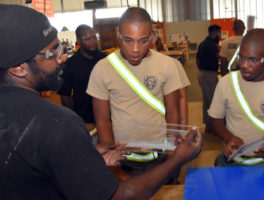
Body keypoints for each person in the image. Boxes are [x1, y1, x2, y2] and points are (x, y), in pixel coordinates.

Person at [0, 4, 202, 200]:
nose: (62, 59)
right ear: (18, 68)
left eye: (60, 47)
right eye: (52, 53)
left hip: (153, 153)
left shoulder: (41, 122)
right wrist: (178, 159)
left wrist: (90, 156)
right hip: (125, 159)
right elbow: (122, 194)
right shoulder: (59, 124)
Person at [87, 8, 183, 150]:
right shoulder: (102, 69)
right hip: (123, 155)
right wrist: (112, 158)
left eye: (143, 41)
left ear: (151, 37)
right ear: (118, 33)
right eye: (128, 40)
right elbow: (103, 121)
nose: (135, 49)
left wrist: (170, 152)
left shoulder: (167, 65)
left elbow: (173, 113)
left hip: (159, 151)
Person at [208, 28, 264, 166]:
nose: (244, 65)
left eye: (253, 60)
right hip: (232, 161)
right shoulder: (226, 83)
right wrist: (229, 138)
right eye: (241, 57)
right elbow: (215, 119)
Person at [58, 24, 107, 124]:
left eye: (94, 37)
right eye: (87, 38)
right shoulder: (70, 64)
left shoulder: (105, 60)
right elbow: (65, 95)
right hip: (84, 118)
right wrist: (73, 119)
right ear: (79, 41)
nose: (93, 41)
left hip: (108, 115)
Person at [196, 24, 221, 133]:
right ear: (214, 33)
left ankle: (208, 125)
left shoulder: (202, 44)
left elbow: (197, 60)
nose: (219, 35)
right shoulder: (212, 45)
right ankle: (215, 127)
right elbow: (218, 57)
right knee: (213, 101)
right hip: (209, 74)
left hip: (201, 73)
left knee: (207, 101)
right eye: (219, 33)